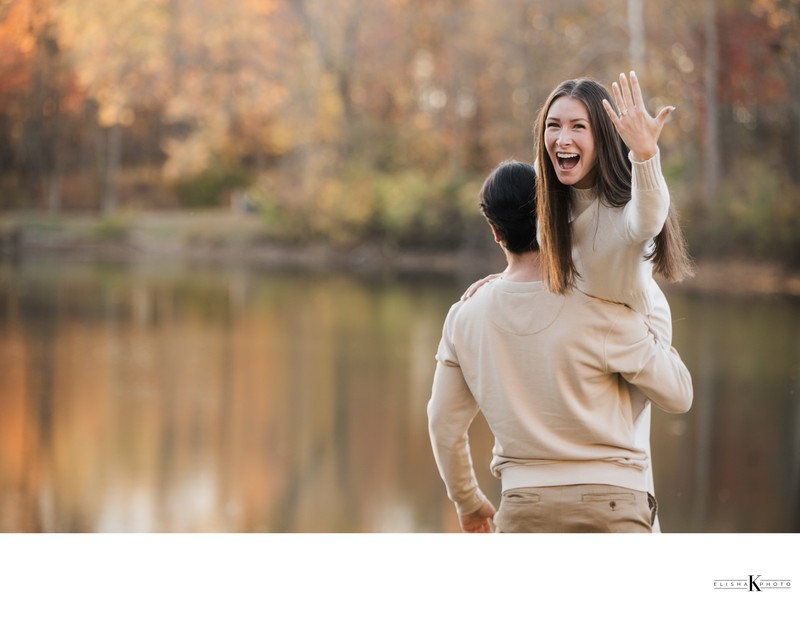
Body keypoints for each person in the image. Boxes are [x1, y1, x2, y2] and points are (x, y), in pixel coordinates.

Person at [462, 72, 694, 530]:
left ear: (602, 137)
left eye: (577, 127)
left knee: (627, 455)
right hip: (596, 339)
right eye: (554, 125)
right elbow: (540, 254)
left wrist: (645, 155)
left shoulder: (620, 210)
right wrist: (504, 279)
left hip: (635, 331)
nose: (562, 138)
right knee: (621, 461)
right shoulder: (554, 193)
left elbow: (648, 219)